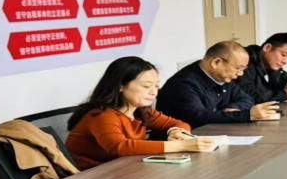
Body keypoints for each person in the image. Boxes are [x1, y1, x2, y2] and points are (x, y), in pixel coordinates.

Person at [65, 57, 216, 170]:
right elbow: (120, 147)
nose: (153, 92)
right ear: (121, 86)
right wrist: (181, 145)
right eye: (146, 86)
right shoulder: (101, 115)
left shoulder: (141, 111)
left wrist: (176, 131)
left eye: (156, 86)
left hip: (125, 171)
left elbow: (178, 123)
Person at [156, 41, 280, 127]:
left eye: (243, 69)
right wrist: (246, 115)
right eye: (238, 68)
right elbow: (198, 117)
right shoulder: (184, 84)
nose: (241, 74)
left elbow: (246, 99)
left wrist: (231, 110)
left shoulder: (223, 77)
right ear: (216, 62)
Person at [239, 32, 287, 104]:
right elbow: (251, 95)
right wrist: (285, 95)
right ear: (267, 47)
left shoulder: (270, 64)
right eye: (284, 55)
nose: (285, 61)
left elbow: (285, 77)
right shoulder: (244, 60)